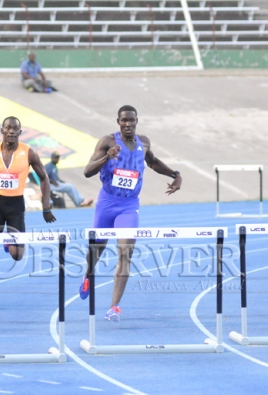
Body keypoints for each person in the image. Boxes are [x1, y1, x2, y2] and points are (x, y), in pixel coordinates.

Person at [79, 105, 182, 322]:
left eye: (131, 120)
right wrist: (107, 157)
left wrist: (175, 174)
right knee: (97, 249)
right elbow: (87, 171)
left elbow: (152, 162)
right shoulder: (108, 141)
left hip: (129, 205)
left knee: (125, 254)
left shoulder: (143, 143)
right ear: (118, 122)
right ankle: (88, 275)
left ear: (136, 121)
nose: (128, 124)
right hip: (107, 202)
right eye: (124, 120)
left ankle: (114, 306)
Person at [0, 116, 56, 310]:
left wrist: (46, 206)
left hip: (16, 206)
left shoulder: (28, 153)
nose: (12, 131)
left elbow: (44, 178)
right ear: (2, 131)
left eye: (15, 128)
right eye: (8, 128)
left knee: (17, 255)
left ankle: (10, 242)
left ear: (20, 132)